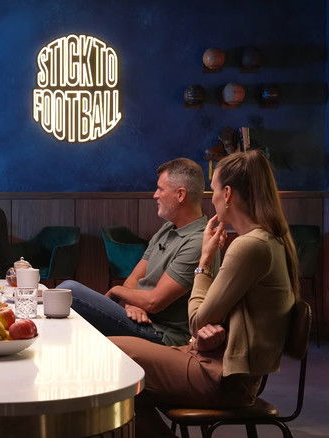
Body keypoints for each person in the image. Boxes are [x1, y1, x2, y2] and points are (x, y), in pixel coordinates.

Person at [111, 150, 299, 438]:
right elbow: (217, 319)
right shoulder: (267, 240)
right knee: (128, 380)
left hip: (224, 378)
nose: (211, 199)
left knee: (112, 354)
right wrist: (212, 331)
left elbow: (197, 319)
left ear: (228, 194)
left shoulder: (250, 246)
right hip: (214, 361)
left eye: (214, 189)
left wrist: (205, 261)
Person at [59, 158, 210, 346]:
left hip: (161, 334)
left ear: (180, 195)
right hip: (139, 318)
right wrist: (133, 304)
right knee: (67, 302)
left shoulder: (197, 242)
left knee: (70, 291)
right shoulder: (168, 228)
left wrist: (117, 291)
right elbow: (133, 279)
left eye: (160, 189)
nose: (155, 195)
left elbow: (154, 302)